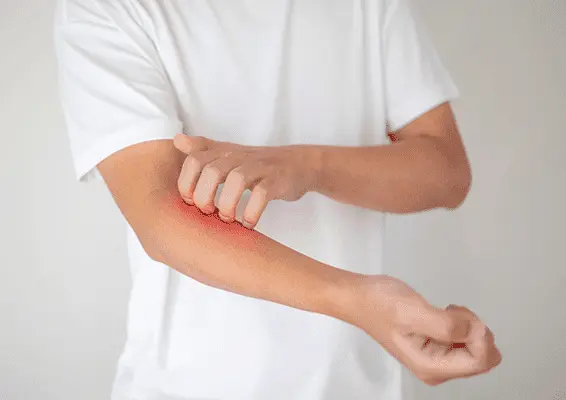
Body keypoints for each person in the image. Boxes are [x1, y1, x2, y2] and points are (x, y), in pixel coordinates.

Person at [53, 0, 501, 399]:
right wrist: (359, 302)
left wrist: (306, 166)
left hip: (357, 382)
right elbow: (161, 217)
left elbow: (447, 172)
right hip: (192, 387)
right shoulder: (106, 7)